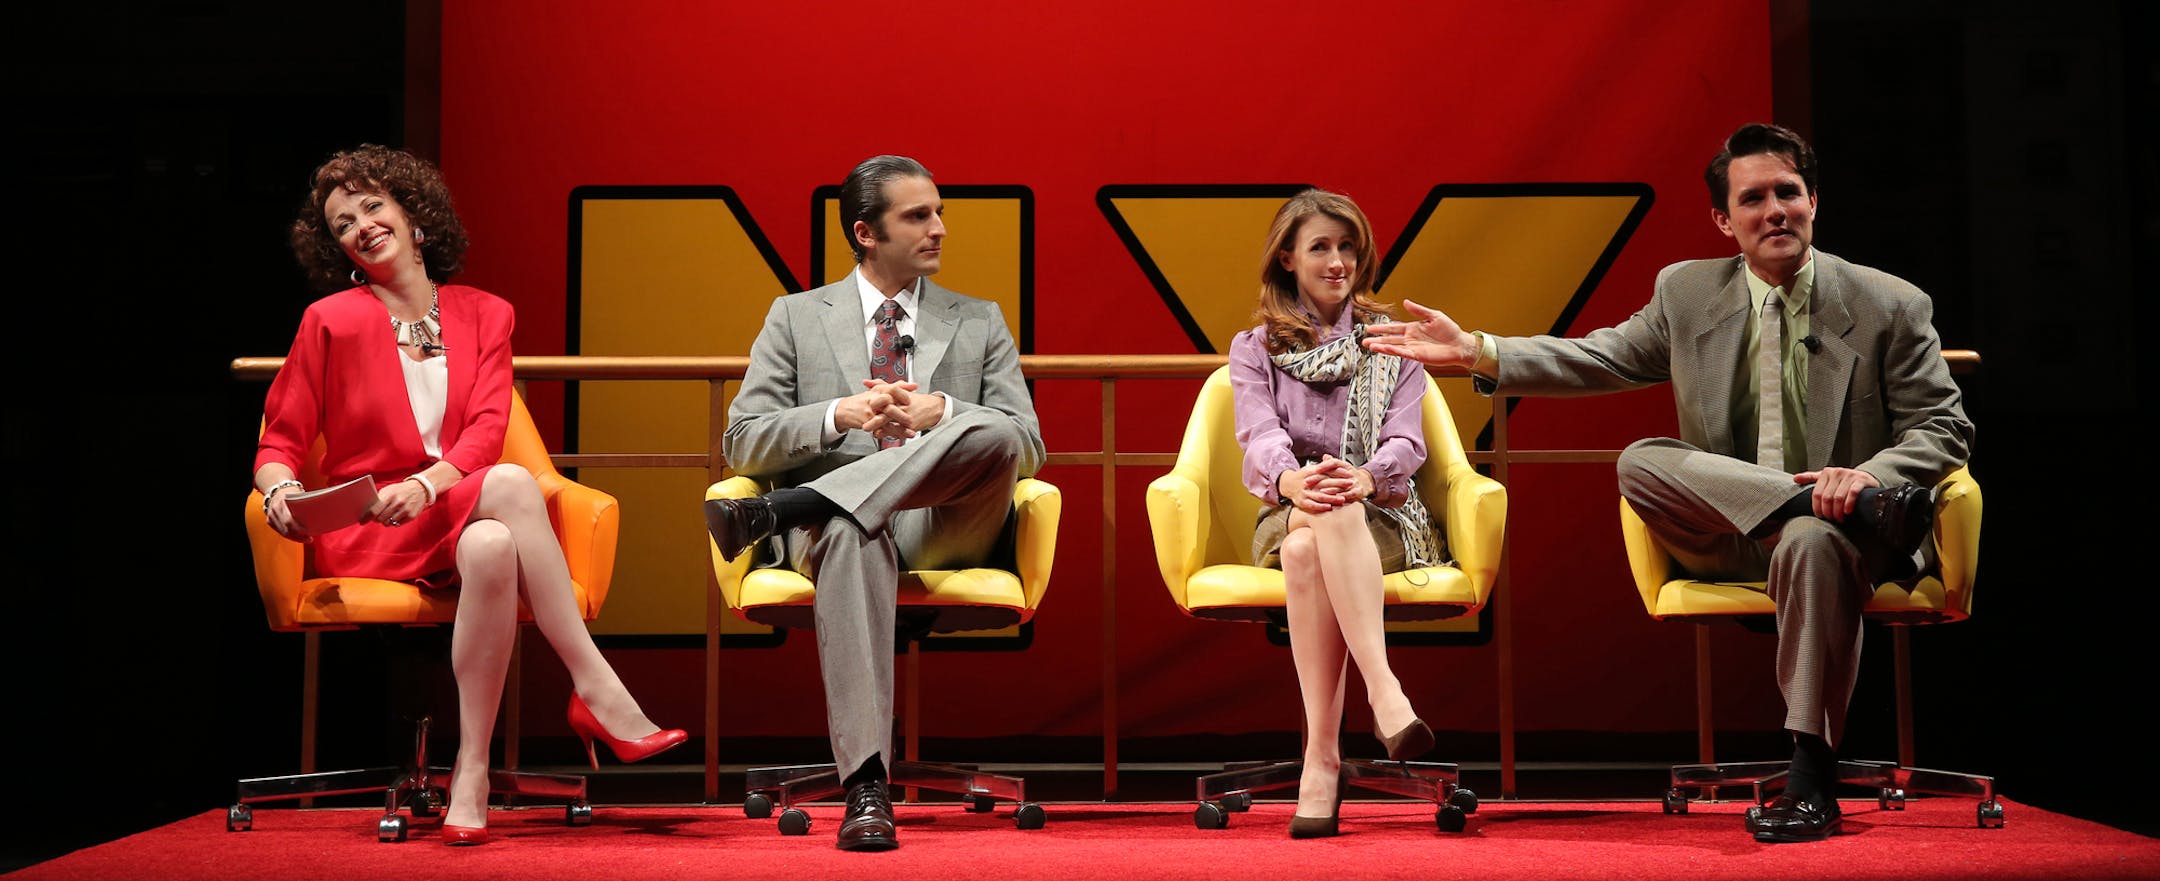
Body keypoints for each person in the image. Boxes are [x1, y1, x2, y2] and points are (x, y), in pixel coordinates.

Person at [1363, 123, 1973, 843]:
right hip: (1730, 532)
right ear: (1725, 220)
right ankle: (1819, 502)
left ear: (1813, 202)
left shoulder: (1888, 304)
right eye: (1754, 199)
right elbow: (1601, 357)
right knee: (1641, 459)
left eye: (1788, 193)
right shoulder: (1687, 293)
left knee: (1810, 537)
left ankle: (1811, 777)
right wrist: (1476, 350)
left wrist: (1866, 477)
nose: (1774, 210)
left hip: (1842, 537)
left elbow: (1945, 427)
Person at [256, 145, 686, 847]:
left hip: (449, 513)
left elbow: (488, 428)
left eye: (373, 207)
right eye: (342, 224)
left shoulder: (487, 314)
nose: (361, 225)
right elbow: (280, 440)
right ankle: (596, 688)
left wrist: (430, 484)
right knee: (512, 488)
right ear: (341, 252)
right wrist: (282, 494)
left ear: (414, 217)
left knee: (492, 542)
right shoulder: (328, 320)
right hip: (372, 527)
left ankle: (472, 769)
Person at [706, 155, 1045, 852]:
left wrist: (938, 411)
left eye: (939, 212)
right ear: (866, 231)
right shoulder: (796, 317)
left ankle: (789, 505)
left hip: (944, 523)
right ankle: (866, 784)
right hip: (838, 536)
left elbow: (1028, 446)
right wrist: (840, 415)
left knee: (988, 426)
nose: (940, 229)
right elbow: (741, 441)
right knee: (852, 530)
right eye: (918, 216)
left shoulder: (979, 320)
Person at [1229, 189, 1443, 839]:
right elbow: (1259, 438)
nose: (1338, 260)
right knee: (1317, 517)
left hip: (1380, 511)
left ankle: (1319, 762)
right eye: (1320, 246)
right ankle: (1385, 693)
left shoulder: (1391, 343)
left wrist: (1365, 475)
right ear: (1287, 259)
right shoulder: (1254, 347)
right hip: (1288, 504)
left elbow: (1408, 441)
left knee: (1315, 541)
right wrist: (1296, 478)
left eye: (1347, 245)